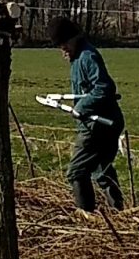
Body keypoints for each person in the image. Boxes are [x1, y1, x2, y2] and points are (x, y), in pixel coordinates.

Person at [50, 17, 125, 214]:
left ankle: (86, 217)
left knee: (76, 172)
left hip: (99, 125)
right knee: (101, 169)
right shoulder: (77, 58)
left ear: (75, 38)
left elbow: (104, 87)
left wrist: (82, 106)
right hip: (102, 123)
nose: (63, 49)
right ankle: (118, 213)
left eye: (65, 44)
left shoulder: (87, 57)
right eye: (59, 46)